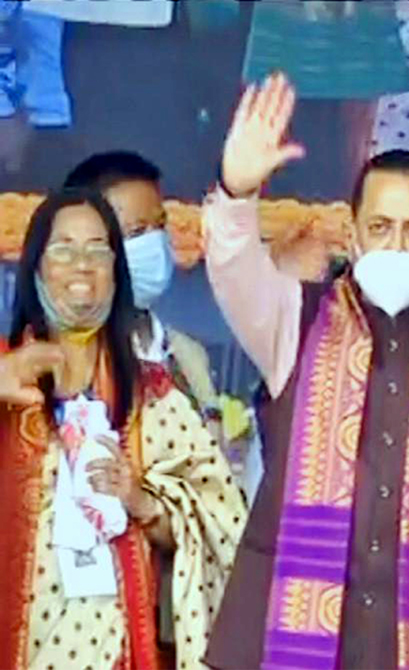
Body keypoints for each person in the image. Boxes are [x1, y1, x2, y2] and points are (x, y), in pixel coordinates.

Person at [202, 73, 409, 670]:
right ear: (351, 235)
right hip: (281, 643)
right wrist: (235, 192)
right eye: (379, 229)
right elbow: (231, 270)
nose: (397, 246)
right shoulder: (294, 320)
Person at [0, 189, 245, 669]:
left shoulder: (150, 391)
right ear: (35, 269)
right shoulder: (6, 372)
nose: (82, 265)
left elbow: (223, 520)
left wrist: (145, 502)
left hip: (119, 647)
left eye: (98, 250)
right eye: (64, 249)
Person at [63, 150, 223, 440]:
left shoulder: (188, 355)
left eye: (160, 226)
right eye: (137, 232)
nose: (155, 243)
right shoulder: (60, 362)